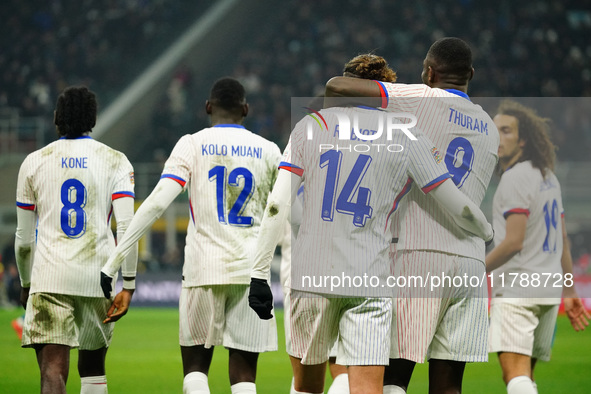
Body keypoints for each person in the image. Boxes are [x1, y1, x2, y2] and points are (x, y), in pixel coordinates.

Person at [249, 54, 494, 394]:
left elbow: (277, 204)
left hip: (312, 275)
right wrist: (486, 230)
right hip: (370, 278)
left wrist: (259, 274)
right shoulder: (406, 134)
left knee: (307, 387)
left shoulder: (311, 126)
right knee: (367, 387)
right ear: (384, 89)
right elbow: (458, 206)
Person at [325, 38, 500, 394]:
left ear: (429, 72)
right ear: (471, 74)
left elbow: (337, 86)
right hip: (469, 264)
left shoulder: (419, 97)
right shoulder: (490, 127)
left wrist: (389, 88)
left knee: (393, 376)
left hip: (416, 253)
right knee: (449, 385)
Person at [100, 77, 282, 394]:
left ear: (208, 107)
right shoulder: (270, 151)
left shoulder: (191, 144)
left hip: (203, 270)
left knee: (195, 372)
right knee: (245, 378)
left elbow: (157, 202)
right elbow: (280, 212)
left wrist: (115, 260)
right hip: (251, 272)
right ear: (246, 109)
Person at [14, 85, 137, 394]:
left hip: (50, 276)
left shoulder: (33, 162)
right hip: (98, 277)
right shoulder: (116, 161)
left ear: (57, 118)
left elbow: (25, 239)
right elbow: (127, 227)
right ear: (93, 119)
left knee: (52, 369)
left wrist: (27, 283)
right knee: (94, 369)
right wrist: (130, 283)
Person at [486, 99, 590, 394]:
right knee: (526, 377)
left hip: (518, 288)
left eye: (506, 130)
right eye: (494, 131)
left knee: (515, 376)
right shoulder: (548, 177)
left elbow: (513, 241)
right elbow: (563, 240)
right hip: (547, 291)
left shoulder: (514, 178)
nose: (498, 137)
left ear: (523, 140)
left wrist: (476, 270)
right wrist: (569, 291)